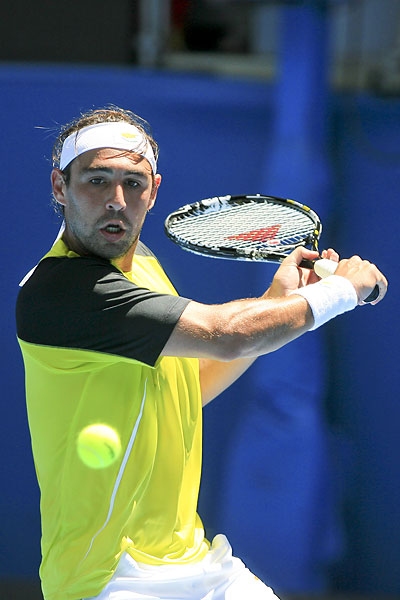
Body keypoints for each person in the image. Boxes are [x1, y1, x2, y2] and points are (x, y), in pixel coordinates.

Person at [16, 106, 388, 600]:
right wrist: (339, 292)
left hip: (195, 561)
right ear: (60, 187)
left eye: (133, 183)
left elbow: (188, 386)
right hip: (109, 578)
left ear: (154, 191)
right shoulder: (60, 292)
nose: (116, 201)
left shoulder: (140, 265)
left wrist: (276, 301)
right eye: (97, 181)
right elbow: (226, 334)